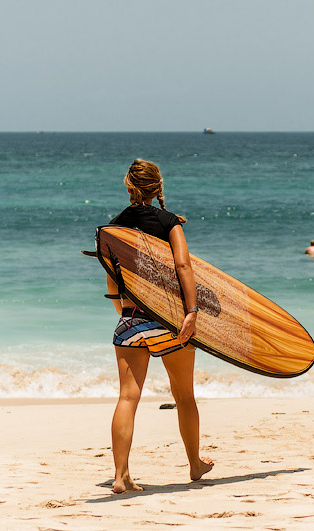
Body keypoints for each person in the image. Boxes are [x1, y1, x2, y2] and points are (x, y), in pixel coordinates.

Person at [106, 159, 213, 492]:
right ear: (158, 188)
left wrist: (126, 315)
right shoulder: (169, 222)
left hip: (130, 320)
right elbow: (183, 267)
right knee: (184, 396)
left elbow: (112, 284)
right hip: (169, 322)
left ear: (128, 187)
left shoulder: (113, 227)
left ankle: (121, 475)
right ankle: (194, 464)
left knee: (127, 397)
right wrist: (192, 312)